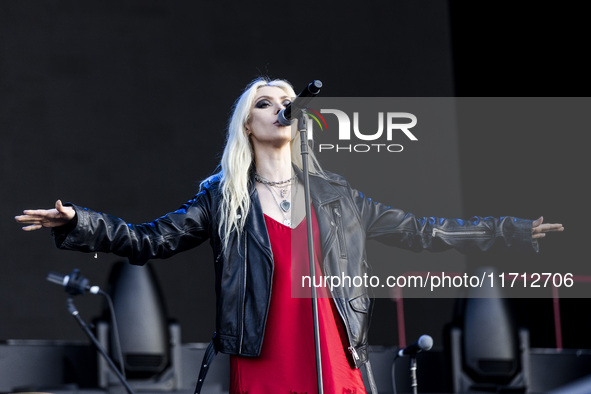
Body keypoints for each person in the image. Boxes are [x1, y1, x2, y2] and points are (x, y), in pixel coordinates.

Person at [15, 77, 564, 394]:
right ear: (247, 125)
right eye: (264, 101)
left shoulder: (338, 197)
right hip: (267, 363)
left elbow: (425, 233)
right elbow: (147, 240)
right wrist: (79, 222)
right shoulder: (221, 198)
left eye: (286, 99)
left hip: (336, 359)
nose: (281, 106)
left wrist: (509, 230)